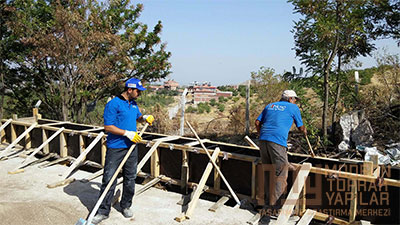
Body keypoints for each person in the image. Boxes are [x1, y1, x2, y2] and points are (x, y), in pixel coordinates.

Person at [92, 78, 154, 224]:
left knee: (130, 177)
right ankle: (102, 211)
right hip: (116, 147)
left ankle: (126, 206)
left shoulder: (133, 104)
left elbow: (137, 117)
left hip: (131, 147)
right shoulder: (113, 104)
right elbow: (108, 127)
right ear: (129, 90)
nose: (139, 93)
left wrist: (144, 118)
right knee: (109, 179)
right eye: (137, 91)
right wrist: (127, 133)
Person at [255, 90, 306, 221]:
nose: (295, 102)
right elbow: (300, 127)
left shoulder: (270, 105)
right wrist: (304, 131)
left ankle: (266, 204)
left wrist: (261, 135)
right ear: (290, 99)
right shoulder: (293, 107)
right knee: (281, 174)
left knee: (268, 171)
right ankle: (275, 209)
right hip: (277, 142)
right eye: (294, 99)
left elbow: (257, 123)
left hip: (263, 141)